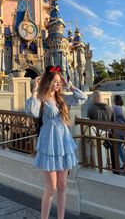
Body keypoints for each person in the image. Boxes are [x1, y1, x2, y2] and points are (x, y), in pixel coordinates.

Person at [25, 65, 87, 219]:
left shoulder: (62, 98)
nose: (57, 84)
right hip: (49, 142)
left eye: (59, 81)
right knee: (51, 188)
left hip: (63, 141)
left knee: (62, 186)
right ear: (47, 81)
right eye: (54, 81)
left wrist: (70, 85)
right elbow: (32, 111)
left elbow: (83, 97)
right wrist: (34, 90)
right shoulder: (42, 98)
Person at [112, 95, 125, 169]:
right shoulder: (124, 107)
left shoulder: (116, 108)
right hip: (124, 130)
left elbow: (113, 118)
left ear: (116, 100)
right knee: (119, 147)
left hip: (118, 130)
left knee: (118, 147)